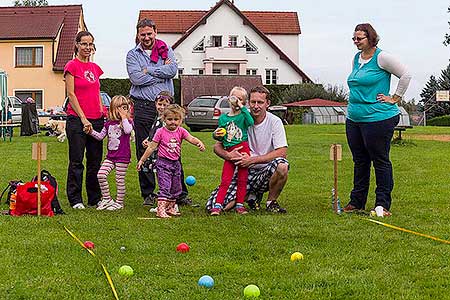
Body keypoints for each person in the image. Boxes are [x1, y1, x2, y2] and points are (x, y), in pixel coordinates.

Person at [343, 23, 411, 217]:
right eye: (354, 38)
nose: (356, 42)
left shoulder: (382, 57)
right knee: (360, 161)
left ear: (371, 38)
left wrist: (395, 98)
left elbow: (406, 74)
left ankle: (382, 204)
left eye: (360, 38)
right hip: (354, 118)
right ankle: (356, 202)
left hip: (378, 118)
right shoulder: (356, 58)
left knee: (380, 160)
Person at [206, 86, 289, 213]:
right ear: (248, 103)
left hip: (265, 170)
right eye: (253, 102)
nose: (256, 106)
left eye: (260, 102)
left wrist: (252, 160)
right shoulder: (239, 118)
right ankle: (251, 196)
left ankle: (271, 202)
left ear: (267, 104)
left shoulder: (274, 122)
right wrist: (229, 156)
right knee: (214, 206)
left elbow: (282, 152)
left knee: (282, 166)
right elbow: (217, 147)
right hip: (242, 169)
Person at [126, 18, 178, 207]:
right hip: (144, 107)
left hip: (167, 109)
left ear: (155, 32)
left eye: (149, 33)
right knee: (144, 148)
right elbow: (136, 78)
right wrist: (159, 73)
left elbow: (172, 70)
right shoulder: (132, 54)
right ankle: (148, 193)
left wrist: (148, 70)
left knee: (172, 147)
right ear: (138, 35)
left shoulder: (166, 49)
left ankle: (176, 192)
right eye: (143, 34)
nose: (146, 37)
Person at [137, 104, 205, 218]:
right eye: (169, 119)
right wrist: (142, 160)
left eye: (176, 119)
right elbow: (151, 147)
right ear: (164, 119)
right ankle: (160, 209)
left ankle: (170, 208)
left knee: (176, 187)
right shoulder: (160, 132)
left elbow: (191, 138)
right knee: (165, 187)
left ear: (181, 120)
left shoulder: (181, 131)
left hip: (175, 164)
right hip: (163, 163)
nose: (173, 122)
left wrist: (199, 143)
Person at [64, 31, 105, 209]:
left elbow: (96, 94)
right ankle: (75, 199)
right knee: (77, 160)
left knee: (95, 161)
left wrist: (104, 112)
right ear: (77, 45)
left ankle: (95, 198)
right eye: (84, 44)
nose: (87, 47)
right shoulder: (71, 66)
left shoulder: (95, 69)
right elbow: (71, 94)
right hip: (77, 120)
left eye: (90, 44)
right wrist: (83, 119)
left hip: (97, 119)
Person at [141, 91, 192, 208]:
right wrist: (147, 139)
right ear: (155, 104)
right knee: (163, 178)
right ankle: (164, 202)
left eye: (165, 105)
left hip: (165, 154)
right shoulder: (158, 119)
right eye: (160, 104)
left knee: (167, 178)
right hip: (156, 154)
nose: (162, 107)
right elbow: (155, 134)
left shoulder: (167, 121)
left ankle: (169, 201)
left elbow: (165, 138)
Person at [210, 87, 254, 216]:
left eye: (240, 99)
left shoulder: (243, 116)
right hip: (229, 151)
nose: (236, 101)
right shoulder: (223, 118)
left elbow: (250, 121)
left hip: (243, 150)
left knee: (242, 179)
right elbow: (220, 136)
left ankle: (240, 205)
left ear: (244, 102)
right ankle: (217, 205)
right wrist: (215, 134)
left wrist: (242, 107)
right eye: (234, 97)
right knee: (225, 180)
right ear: (229, 99)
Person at [88, 95, 133, 211]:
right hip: (111, 157)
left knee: (119, 180)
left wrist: (124, 118)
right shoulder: (108, 124)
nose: (121, 111)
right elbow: (100, 136)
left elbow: (128, 130)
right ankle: (107, 199)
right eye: (119, 108)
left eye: (124, 108)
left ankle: (119, 203)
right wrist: (91, 131)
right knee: (101, 175)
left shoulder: (127, 122)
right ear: (113, 109)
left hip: (123, 157)